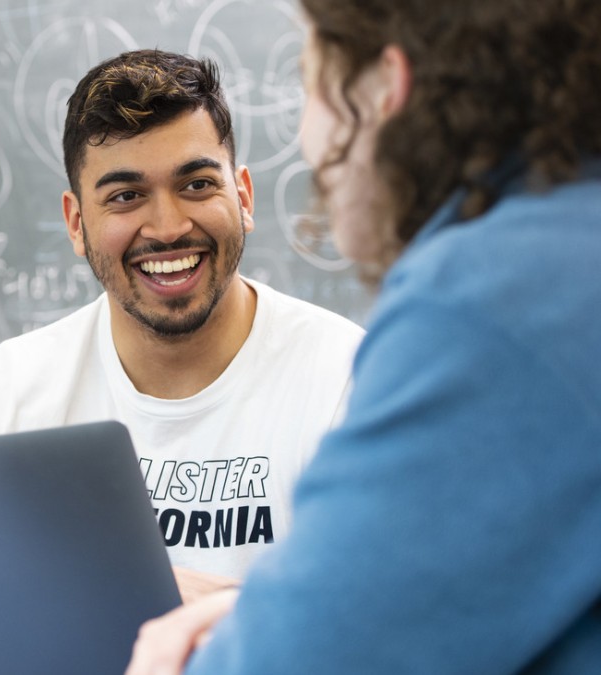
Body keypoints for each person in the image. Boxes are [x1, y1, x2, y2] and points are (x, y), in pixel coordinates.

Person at [125, 0, 601, 672]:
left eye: (308, 78)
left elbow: (285, 661)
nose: (305, 132)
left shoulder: (487, 301)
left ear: (385, 87)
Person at [0, 50, 364, 585]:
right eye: (126, 196)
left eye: (197, 185)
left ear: (243, 196)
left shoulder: (353, 386)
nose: (168, 226)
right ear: (76, 223)